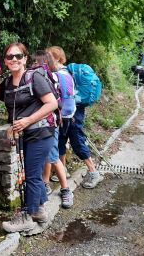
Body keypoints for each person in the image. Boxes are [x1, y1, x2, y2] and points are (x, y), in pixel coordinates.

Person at [0, 43, 58, 232]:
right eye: (10, 57)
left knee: (31, 175)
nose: (14, 59)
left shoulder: (35, 77)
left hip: (41, 132)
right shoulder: (7, 84)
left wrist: (26, 121)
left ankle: (27, 215)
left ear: (25, 58)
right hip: (26, 134)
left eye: (18, 56)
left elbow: (52, 103)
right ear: (5, 61)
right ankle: (39, 210)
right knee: (32, 173)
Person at [47, 46, 103, 189]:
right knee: (60, 139)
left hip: (73, 113)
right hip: (66, 112)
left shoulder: (63, 74)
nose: (46, 60)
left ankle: (93, 172)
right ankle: (62, 170)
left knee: (76, 140)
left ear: (58, 58)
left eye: (49, 56)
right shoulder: (58, 73)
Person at [33, 50, 74, 209]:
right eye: (34, 63)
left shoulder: (51, 78)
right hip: (46, 123)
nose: (34, 65)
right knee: (49, 156)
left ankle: (65, 189)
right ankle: (45, 183)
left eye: (37, 63)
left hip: (50, 124)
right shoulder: (45, 76)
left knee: (53, 156)